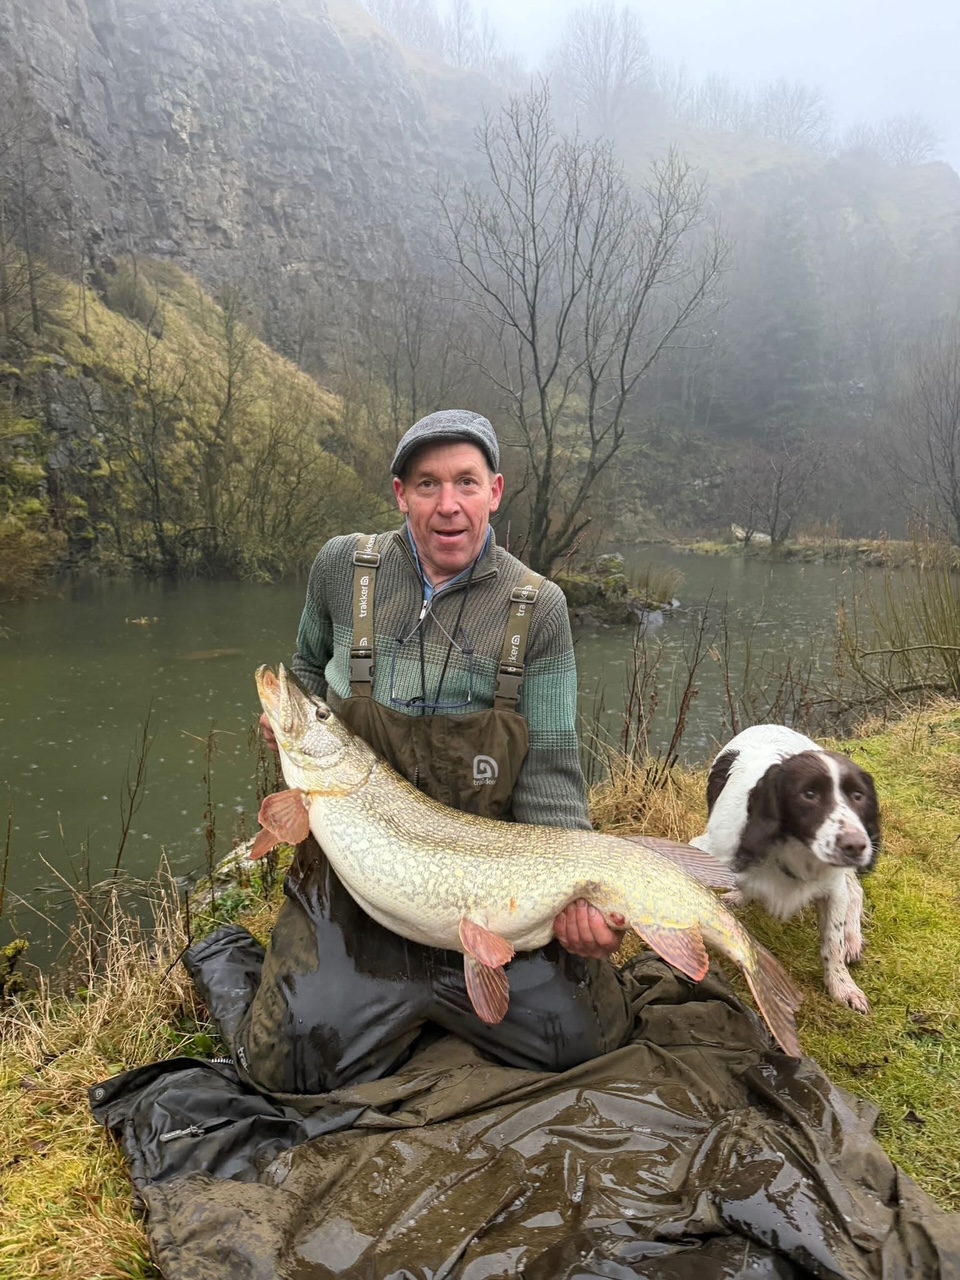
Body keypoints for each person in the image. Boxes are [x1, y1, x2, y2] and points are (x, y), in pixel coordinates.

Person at [192, 410, 632, 1096]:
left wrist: (578, 893)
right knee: (290, 1063)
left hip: (487, 881)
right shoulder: (343, 568)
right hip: (357, 880)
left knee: (587, 1042)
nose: (448, 505)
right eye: (428, 485)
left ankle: (415, 1012)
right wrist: (287, 730)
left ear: (495, 490)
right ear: (401, 494)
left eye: (466, 482)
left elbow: (550, 776)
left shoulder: (537, 607)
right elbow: (305, 670)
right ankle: (237, 962)